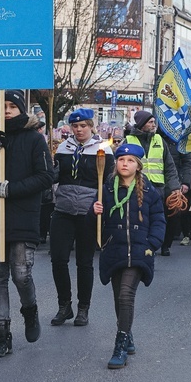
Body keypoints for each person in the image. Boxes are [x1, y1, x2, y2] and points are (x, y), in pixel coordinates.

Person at [0, 89, 54, 358]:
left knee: (21, 273)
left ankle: (30, 310)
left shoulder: (34, 140)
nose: (7, 111)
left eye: (12, 107)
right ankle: (2, 335)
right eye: (3, 106)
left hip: (22, 215)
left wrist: (14, 189)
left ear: (21, 110)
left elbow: (45, 177)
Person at [89, 143, 166, 369]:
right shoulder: (107, 190)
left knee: (125, 295)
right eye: (122, 160)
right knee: (117, 298)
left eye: (131, 161)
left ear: (138, 166)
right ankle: (128, 332)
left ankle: (120, 343)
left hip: (139, 252)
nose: (125, 164)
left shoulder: (150, 192)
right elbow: (93, 225)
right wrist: (93, 212)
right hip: (114, 250)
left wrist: (151, 244)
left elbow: (160, 220)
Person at [49, 108, 114, 327]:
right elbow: (56, 175)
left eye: (83, 126)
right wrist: (50, 169)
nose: (78, 130)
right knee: (58, 259)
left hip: (88, 211)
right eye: (75, 126)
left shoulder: (103, 149)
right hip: (63, 208)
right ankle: (64, 305)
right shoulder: (63, 148)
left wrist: (103, 203)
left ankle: (83, 308)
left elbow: (109, 181)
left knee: (84, 262)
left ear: (91, 126)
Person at [123, 110, 182, 255]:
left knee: (159, 219)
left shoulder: (159, 140)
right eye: (150, 122)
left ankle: (163, 245)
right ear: (142, 124)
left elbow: (169, 166)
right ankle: (144, 245)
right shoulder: (129, 141)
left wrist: (175, 187)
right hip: (136, 187)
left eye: (154, 122)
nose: (153, 125)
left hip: (158, 188)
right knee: (141, 219)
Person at [157, 128, 191, 256]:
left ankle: (166, 245)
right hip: (157, 182)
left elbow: (187, 162)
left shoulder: (180, 141)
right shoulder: (156, 138)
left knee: (172, 216)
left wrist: (185, 183)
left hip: (175, 183)